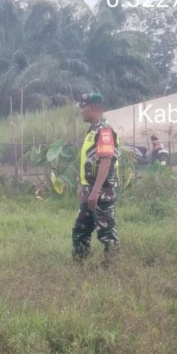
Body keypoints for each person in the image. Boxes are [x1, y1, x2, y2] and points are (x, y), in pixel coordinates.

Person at [72, 92, 120, 263]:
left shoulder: (104, 131)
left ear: (91, 108)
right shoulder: (92, 131)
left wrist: (96, 191)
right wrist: (83, 186)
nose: (81, 111)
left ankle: (113, 268)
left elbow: (106, 162)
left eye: (83, 107)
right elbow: (89, 162)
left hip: (101, 191)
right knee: (80, 229)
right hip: (89, 189)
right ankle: (80, 265)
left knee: (106, 232)